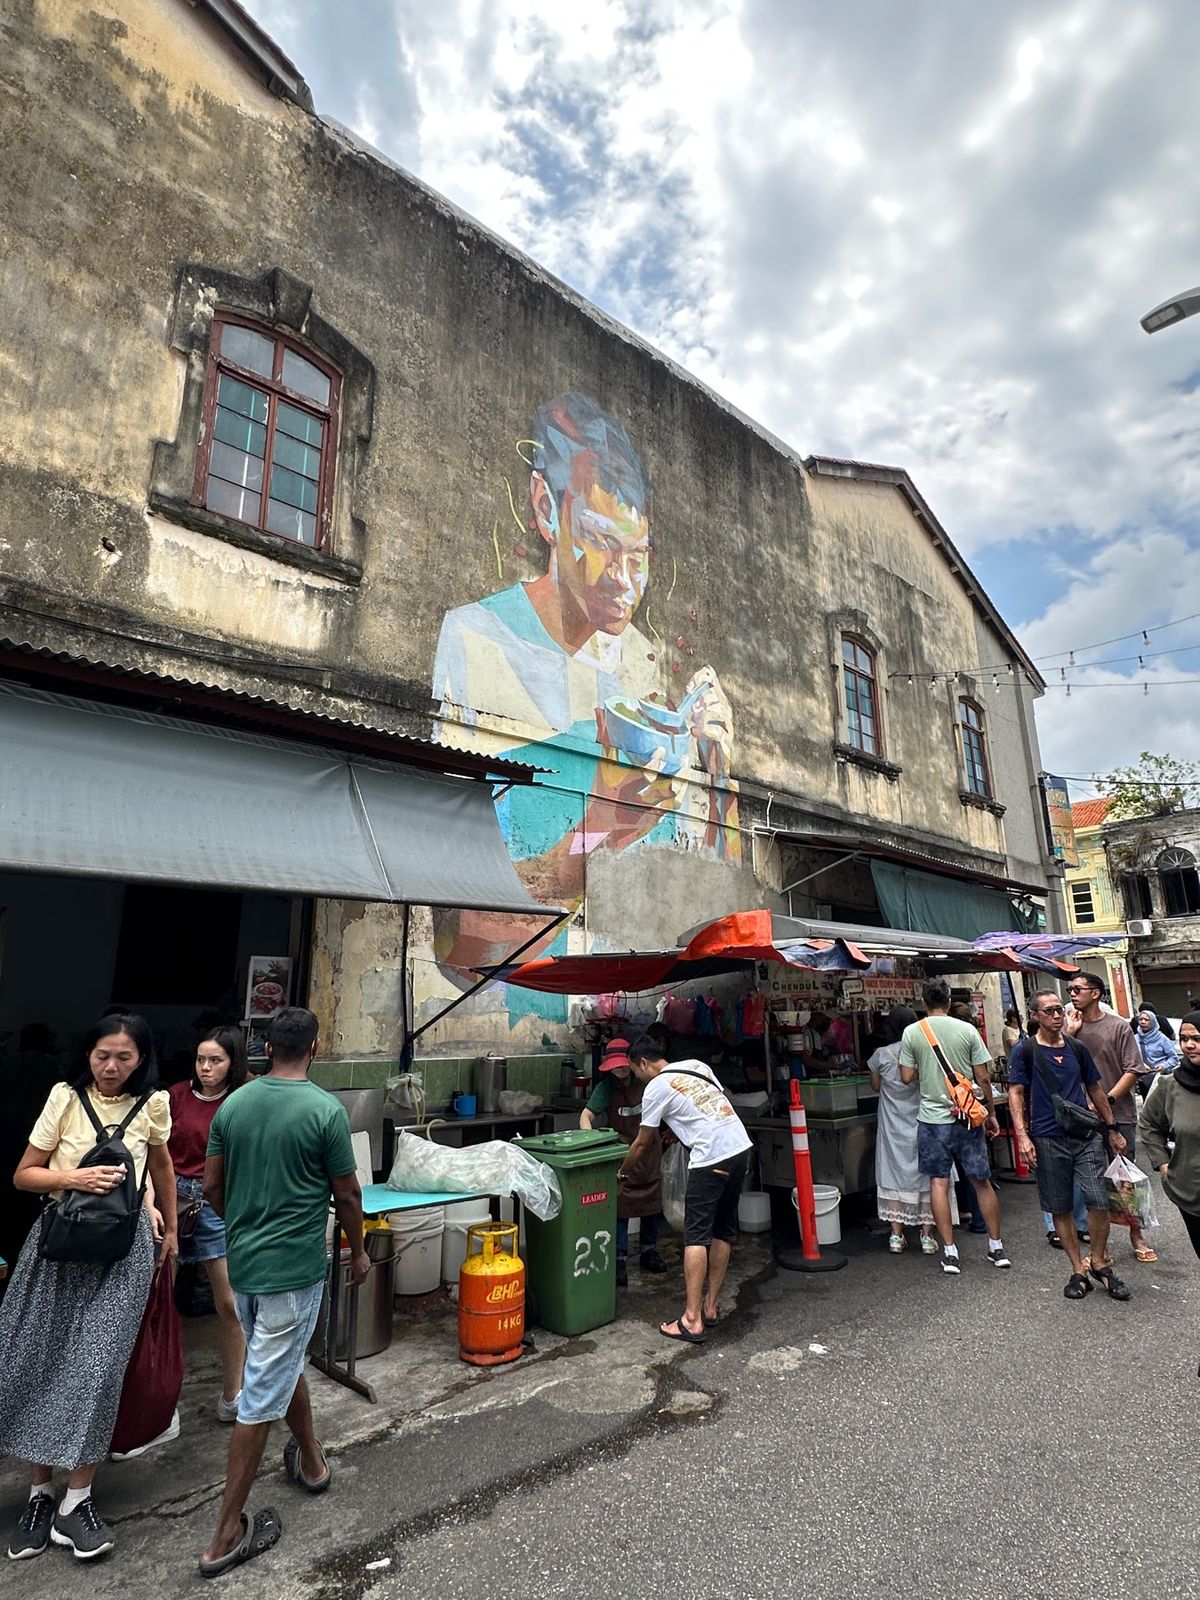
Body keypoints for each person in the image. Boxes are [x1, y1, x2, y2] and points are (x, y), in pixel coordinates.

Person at [430, 394, 740, 989]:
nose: (623, 580)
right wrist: (597, 831)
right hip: (510, 998)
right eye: (600, 542)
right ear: (546, 508)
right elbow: (458, 946)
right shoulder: (475, 640)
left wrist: (718, 774)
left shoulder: (644, 663)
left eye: (638, 554)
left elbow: (712, 908)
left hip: (628, 993)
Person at [198, 1008, 367, 1579]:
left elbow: (213, 1186)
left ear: (266, 1048)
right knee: (259, 1394)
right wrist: (360, 1250)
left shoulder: (233, 1105)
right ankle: (224, 1534)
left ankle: (313, 1462)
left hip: (244, 1266)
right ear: (315, 1047)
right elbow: (346, 1194)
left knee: (279, 1359)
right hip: (292, 1273)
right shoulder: (325, 1110)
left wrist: (243, 1225)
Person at [0, 1014, 175, 1562]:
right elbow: (24, 1173)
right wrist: (74, 1177)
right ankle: (38, 1495)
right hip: (57, 1250)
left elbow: (161, 1167)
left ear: (141, 1059)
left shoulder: (154, 1104)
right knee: (40, 1361)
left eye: (124, 1057)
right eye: (103, 1054)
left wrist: (166, 1226)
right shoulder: (64, 1098)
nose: (112, 1066)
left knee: (96, 1371)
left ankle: (77, 1502)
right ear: (89, 1053)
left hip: (122, 1257)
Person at [620, 1036, 752, 1344]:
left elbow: (643, 1141)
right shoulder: (697, 1066)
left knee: (696, 1236)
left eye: (635, 1072)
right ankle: (711, 1307)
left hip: (711, 1158)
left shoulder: (655, 1087)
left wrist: (623, 1173)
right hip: (740, 1148)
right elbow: (706, 1107)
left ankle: (692, 1320)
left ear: (642, 1063)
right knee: (723, 1232)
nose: (638, 1078)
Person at [1007, 990, 1131, 1302]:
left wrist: (1112, 1128)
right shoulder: (1025, 1051)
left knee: (1098, 1198)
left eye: (1058, 1010)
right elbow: (1016, 1094)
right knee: (1059, 1205)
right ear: (1035, 1015)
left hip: (1084, 1135)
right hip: (1048, 1137)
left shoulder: (1077, 1048)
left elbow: (1095, 1088)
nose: (1057, 1015)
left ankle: (1099, 1261)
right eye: (1048, 1011)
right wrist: (1022, 1137)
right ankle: (1078, 1268)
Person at [899, 978, 1010, 1275]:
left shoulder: (912, 1032)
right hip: (967, 1117)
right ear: (948, 1001)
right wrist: (990, 1114)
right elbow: (983, 1077)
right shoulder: (968, 1030)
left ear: (923, 1002)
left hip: (932, 1120)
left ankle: (949, 1251)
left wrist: (926, 1068)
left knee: (938, 1182)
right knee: (981, 1181)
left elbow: (906, 1077)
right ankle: (996, 1247)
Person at [166, 1027, 249, 1421]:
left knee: (229, 1303)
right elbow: (156, 1151)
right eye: (201, 1059)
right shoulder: (176, 1096)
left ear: (233, 1063)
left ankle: (232, 1393)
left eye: (216, 1060)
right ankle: (155, 1398)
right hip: (171, 1199)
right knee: (157, 1302)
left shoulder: (240, 1102)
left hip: (217, 1201)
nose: (206, 1068)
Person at [1065, 974, 1157, 1264]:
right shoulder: (1072, 1029)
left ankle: (1137, 1236)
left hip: (1119, 1114)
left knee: (1125, 1178)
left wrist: (1107, 1101)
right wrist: (1070, 1032)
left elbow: (1133, 1069)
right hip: (1082, 1117)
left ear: (1096, 993)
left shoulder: (1118, 1027)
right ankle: (1099, 1247)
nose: (1072, 994)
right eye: (1070, 990)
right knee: (1093, 1183)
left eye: (1077, 989)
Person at [579, 1036, 666, 1285]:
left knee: (651, 1203)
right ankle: (619, 1258)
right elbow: (586, 1116)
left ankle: (649, 1251)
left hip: (649, 1153)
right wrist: (590, 1140)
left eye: (623, 1065)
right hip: (623, 1155)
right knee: (621, 1208)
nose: (621, 1070)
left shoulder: (647, 1081)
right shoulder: (605, 1088)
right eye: (615, 1066)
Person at [868, 1007, 939, 1255]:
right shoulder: (923, 1052)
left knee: (892, 1176)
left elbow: (875, 1086)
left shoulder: (881, 1055)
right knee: (926, 1176)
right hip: (922, 1120)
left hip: (892, 1126)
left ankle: (896, 1236)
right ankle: (927, 1237)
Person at [1139, 1013, 1200, 1286]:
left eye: (1197, 1039)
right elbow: (1149, 1124)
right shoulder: (1170, 1085)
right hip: (1191, 1192)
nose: (1189, 1045)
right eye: (1184, 1039)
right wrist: (1163, 1165)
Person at [1132, 1006, 1181, 1094]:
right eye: (1141, 1019)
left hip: (1160, 1078)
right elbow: (1130, 1057)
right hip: (1142, 1080)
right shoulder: (1134, 1039)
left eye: (1146, 1020)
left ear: (1153, 1022)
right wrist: (1141, 1064)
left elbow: (1174, 1058)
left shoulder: (1162, 1039)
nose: (1143, 1022)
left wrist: (1163, 1066)